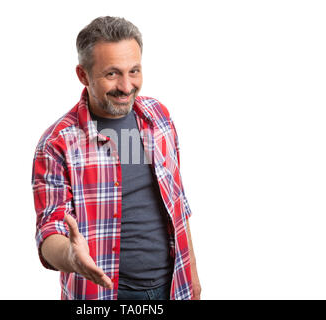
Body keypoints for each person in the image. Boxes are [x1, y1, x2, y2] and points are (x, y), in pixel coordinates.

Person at [31, 16, 201, 300]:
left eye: (134, 71)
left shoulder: (158, 117)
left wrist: (192, 272)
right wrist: (71, 258)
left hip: (173, 286)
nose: (126, 86)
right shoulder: (57, 143)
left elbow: (178, 205)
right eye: (112, 74)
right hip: (104, 295)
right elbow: (50, 228)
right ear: (83, 75)